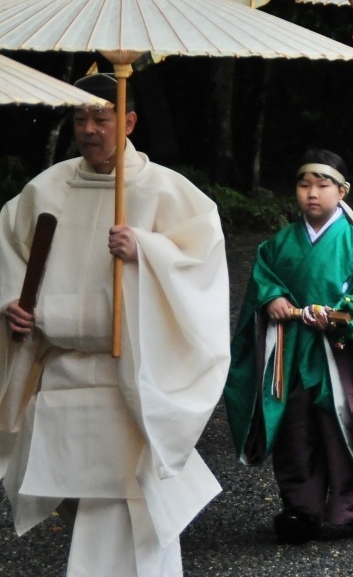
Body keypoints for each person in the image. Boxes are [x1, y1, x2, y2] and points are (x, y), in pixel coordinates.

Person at [0, 74, 229, 576]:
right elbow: (12, 254)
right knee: (83, 494)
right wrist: (12, 305)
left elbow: (201, 267)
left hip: (130, 371)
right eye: (80, 117)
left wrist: (145, 251)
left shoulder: (168, 191)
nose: (89, 128)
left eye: (101, 118)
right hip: (61, 369)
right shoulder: (46, 188)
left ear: (128, 122)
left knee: (130, 498)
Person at [224, 150, 353, 545]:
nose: (312, 193)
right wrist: (272, 297)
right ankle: (301, 508)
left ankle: (352, 504)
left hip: (342, 352)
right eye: (304, 184)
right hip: (293, 350)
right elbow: (264, 279)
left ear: (342, 191)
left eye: (323, 185)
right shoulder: (278, 244)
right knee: (294, 426)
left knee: (341, 423)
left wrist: (342, 313)